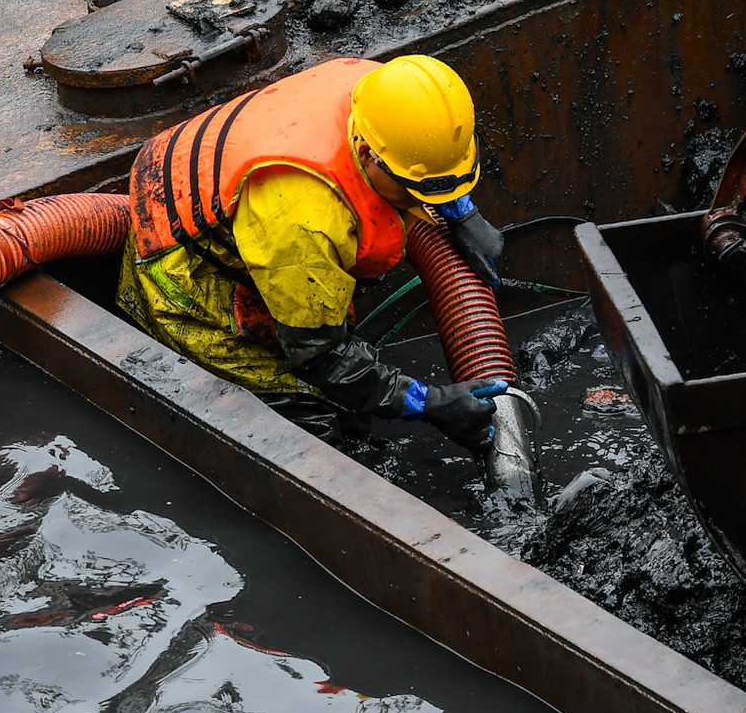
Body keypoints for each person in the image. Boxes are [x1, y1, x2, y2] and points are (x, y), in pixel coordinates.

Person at [116, 54, 510, 450]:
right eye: (417, 189)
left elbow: (427, 159)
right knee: (324, 425)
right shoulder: (304, 218)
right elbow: (320, 357)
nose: (423, 200)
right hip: (187, 280)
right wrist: (431, 403)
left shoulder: (385, 96)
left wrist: (460, 212)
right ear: (369, 154)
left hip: (239, 212)